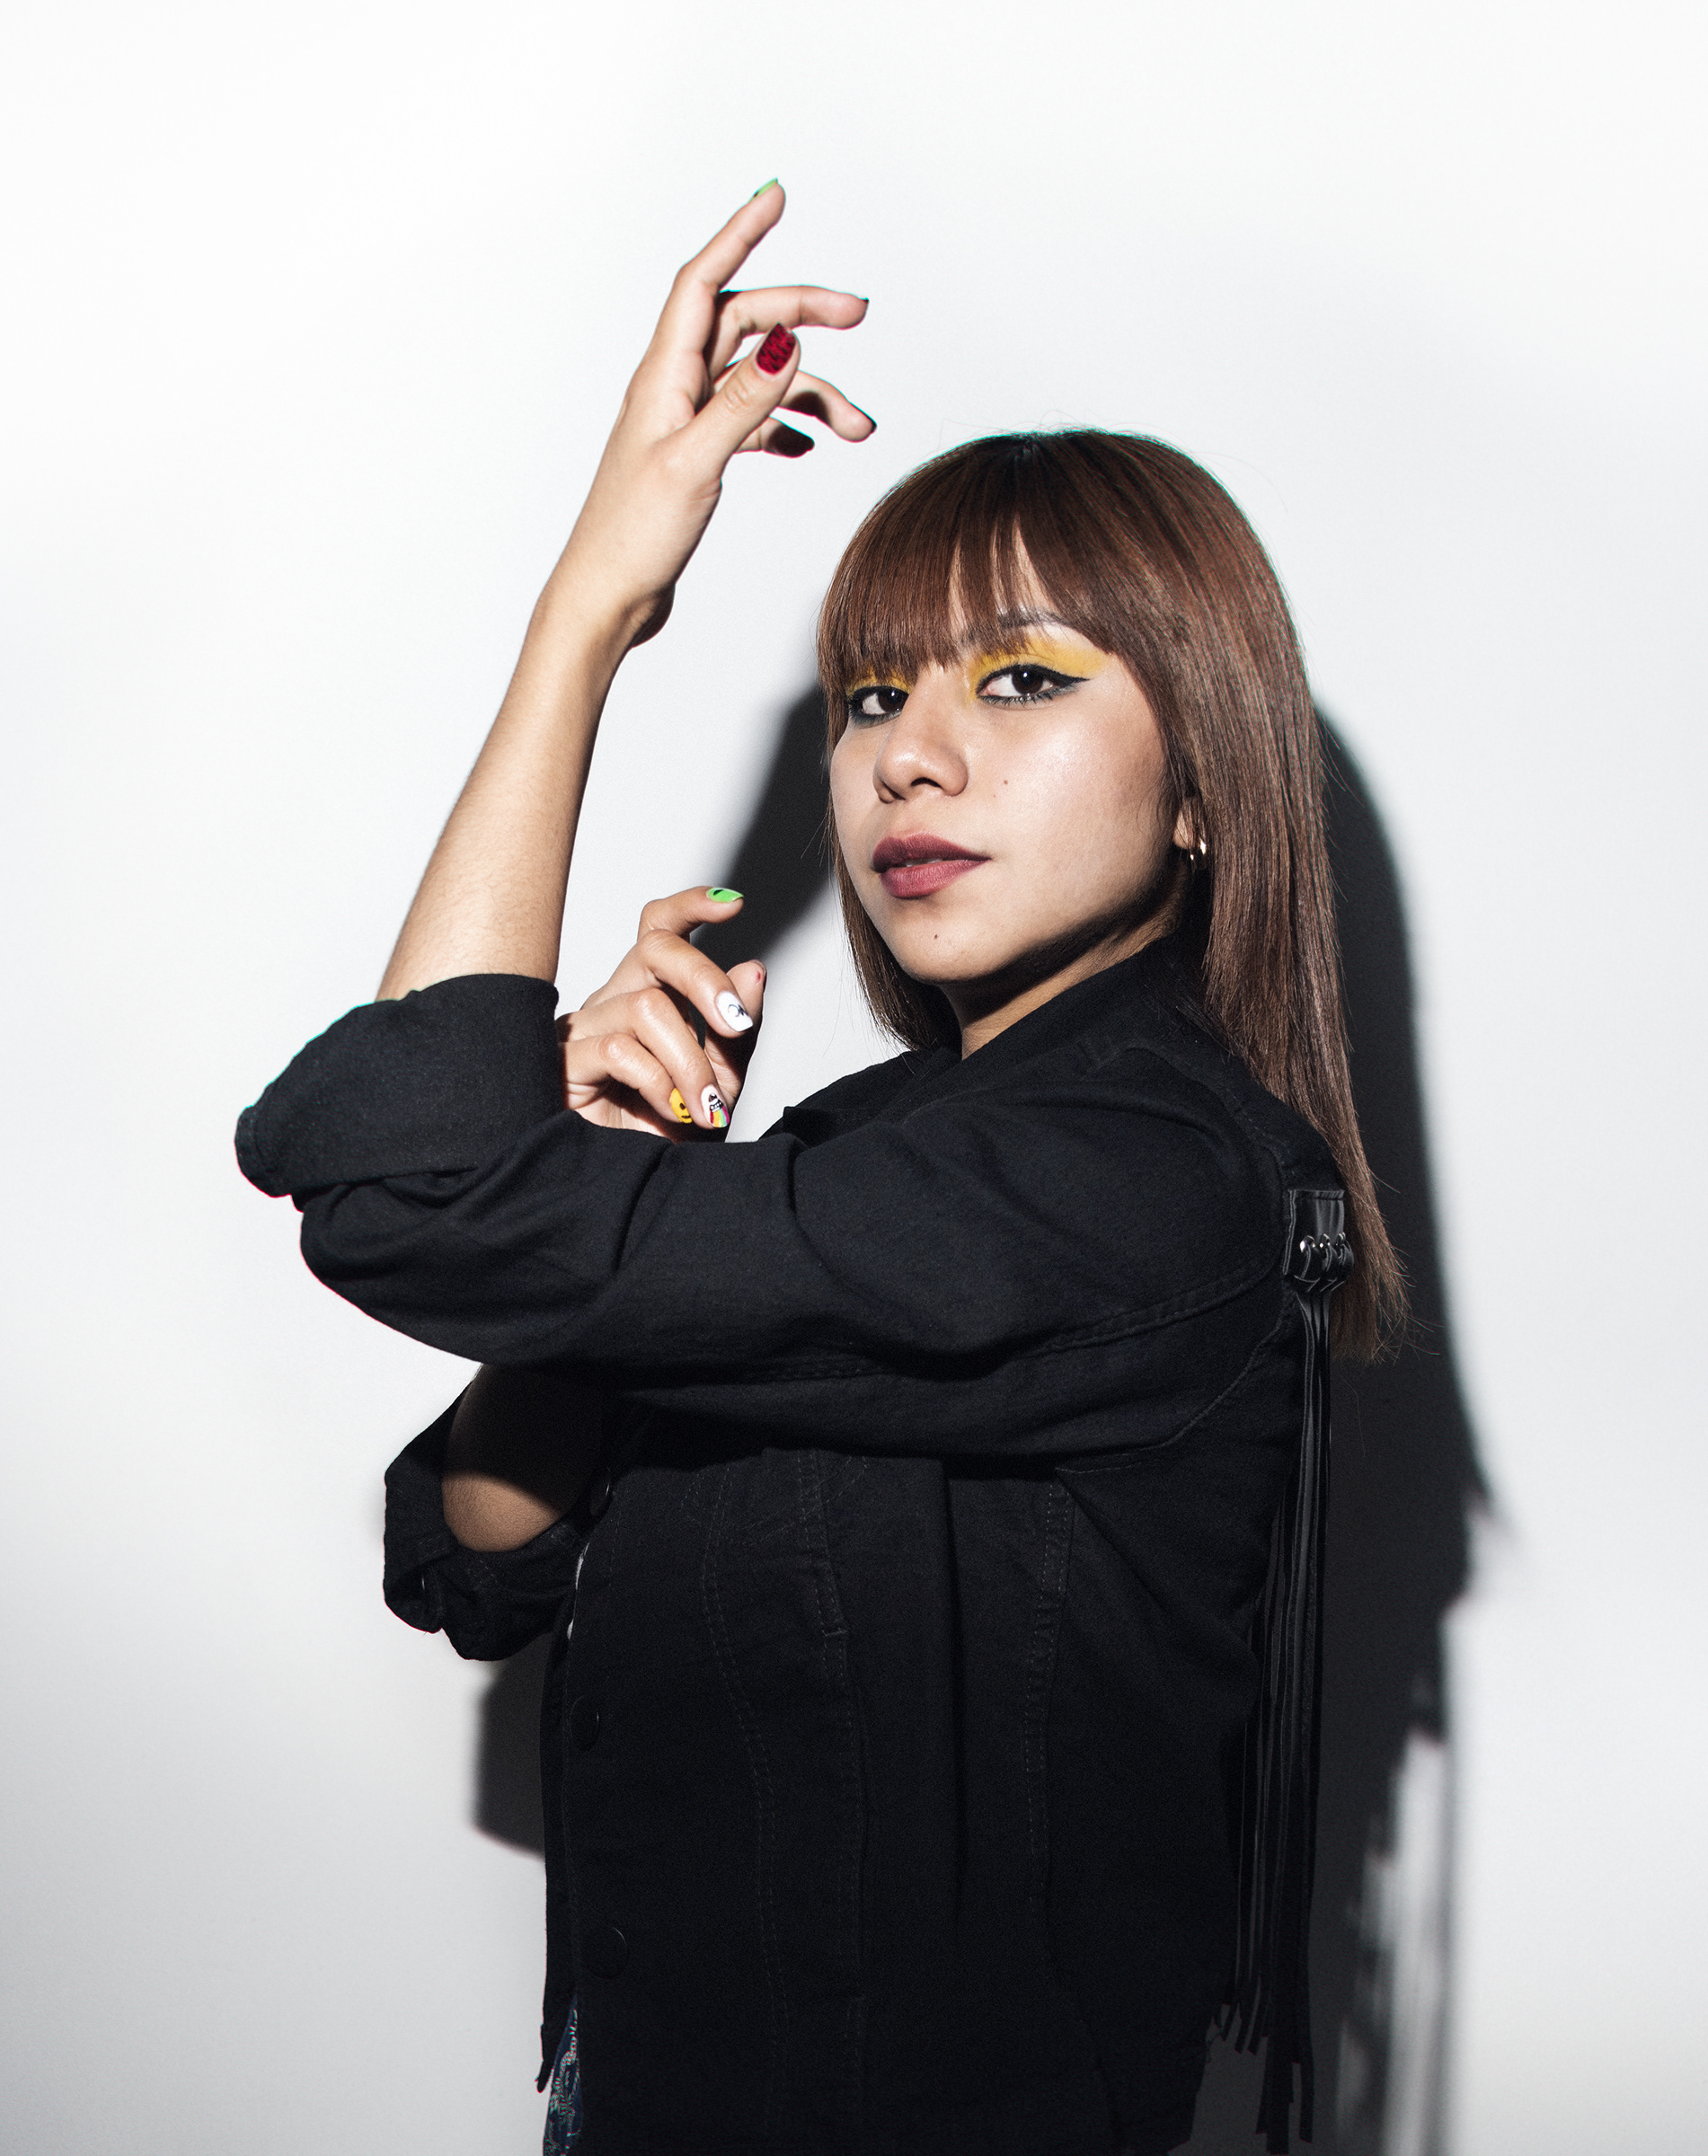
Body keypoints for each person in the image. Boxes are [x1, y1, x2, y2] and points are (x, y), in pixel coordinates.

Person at [236, 183, 1402, 2156]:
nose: (906, 760)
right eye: (874, 696)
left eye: (1021, 680)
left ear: (1207, 783)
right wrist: (606, 1170)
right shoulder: (874, 1151)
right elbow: (485, 1551)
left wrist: (587, 617)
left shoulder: (1150, 1181)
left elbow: (402, 1183)